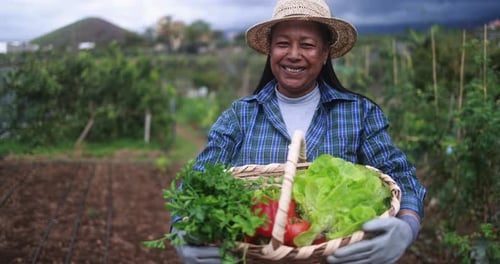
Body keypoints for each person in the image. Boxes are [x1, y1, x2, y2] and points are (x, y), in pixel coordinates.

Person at [173, 0, 426, 263]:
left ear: (325, 53)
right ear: (270, 50)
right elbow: (197, 180)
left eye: (307, 45)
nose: (294, 54)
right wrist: (182, 229)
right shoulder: (240, 116)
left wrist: (407, 227)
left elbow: (400, 176)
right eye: (283, 43)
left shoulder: (359, 114)